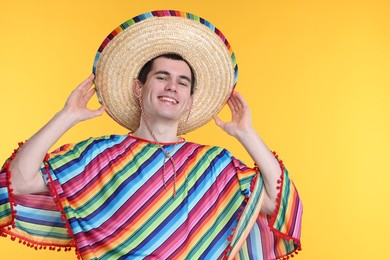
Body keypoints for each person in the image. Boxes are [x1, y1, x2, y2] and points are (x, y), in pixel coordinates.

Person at [0, 10, 302, 260]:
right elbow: (17, 182)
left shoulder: (215, 165)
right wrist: (65, 117)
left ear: (190, 99)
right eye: (162, 77)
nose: (172, 87)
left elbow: (280, 205)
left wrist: (246, 134)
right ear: (138, 88)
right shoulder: (97, 157)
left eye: (183, 82)